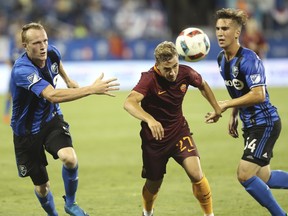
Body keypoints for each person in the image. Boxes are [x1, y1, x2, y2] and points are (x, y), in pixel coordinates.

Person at [10, 22, 119, 216]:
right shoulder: (22, 70)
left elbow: (56, 62)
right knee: (42, 187)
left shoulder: (51, 52)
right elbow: (51, 95)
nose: (43, 46)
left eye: (45, 40)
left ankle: (71, 203)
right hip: (25, 132)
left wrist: (68, 80)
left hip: (50, 118)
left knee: (69, 158)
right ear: (25, 46)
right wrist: (91, 89)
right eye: (36, 43)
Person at [124, 41, 222, 216]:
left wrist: (216, 108)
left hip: (179, 132)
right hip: (155, 139)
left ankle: (209, 214)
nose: (172, 72)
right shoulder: (148, 79)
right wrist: (150, 120)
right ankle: (147, 212)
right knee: (154, 184)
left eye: (175, 66)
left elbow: (203, 85)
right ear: (158, 66)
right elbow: (129, 103)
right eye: (167, 69)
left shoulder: (186, 73)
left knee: (196, 174)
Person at [207, 8, 288, 216]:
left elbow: (259, 94)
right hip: (250, 124)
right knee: (264, 178)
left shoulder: (249, 59)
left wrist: (226, 104)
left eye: (225, 28)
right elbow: (237, 88)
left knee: (244, 174)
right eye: (217, 28)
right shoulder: (221, 60)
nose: (220, 33)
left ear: (237, 32)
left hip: (265, 122)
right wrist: (234, 114)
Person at [3, 31, 25, 124]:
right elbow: (8, 60)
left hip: (23, 77)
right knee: (9, 96)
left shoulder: (25, 50)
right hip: (13, 76)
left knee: (22, 96)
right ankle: (6, 115)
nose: (17, 40)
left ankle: (22, 115)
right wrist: (12, 67)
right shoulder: (14, 49)